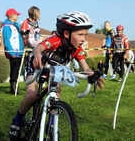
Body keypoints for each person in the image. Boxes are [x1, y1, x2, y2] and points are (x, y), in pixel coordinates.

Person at [9, 11, 104, 140]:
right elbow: (37, 48)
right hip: (37, 65)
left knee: (56, 92)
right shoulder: (55, 40)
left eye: (85, 35)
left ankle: (52, 124)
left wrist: (93, 75)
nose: (83, 39)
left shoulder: (78, 48)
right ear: (66, 33)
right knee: (32, 95)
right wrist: (37, 56)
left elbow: (85, 67)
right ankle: (17, 122)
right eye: (80, 34)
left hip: (53, 70)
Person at [2, 8, 23, 94]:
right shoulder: (7, 26)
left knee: (17, 70)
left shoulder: (15, 25)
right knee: (14, 70)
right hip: (14, 53)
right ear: (11, 16)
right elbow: (7, 41)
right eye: (16, 14)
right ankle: (13, 88)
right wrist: (11, 53)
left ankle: (16, 87)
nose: (17, 16)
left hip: (19, 52)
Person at [21, 6, 41, 79]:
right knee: (29, 65)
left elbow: (38, 34)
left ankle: (37, 80)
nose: (39, 14)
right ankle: (28, 82)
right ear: (34, 13)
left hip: (37, 47)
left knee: (37, 64)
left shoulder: (36, 22)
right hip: (29, 48)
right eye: (38, 12)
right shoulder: (25, 23)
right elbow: (23, 36)